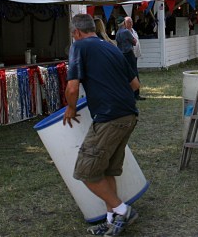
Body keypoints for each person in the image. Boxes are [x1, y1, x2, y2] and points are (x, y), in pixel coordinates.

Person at [62, 14, 141, 236]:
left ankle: (124, 211)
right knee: (106, 170)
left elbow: (72, 88)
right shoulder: (111, 47)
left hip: (110, 117)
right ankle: (111, 220)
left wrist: (71, 107)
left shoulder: (78, 47)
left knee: (86, 171)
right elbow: (135, 85)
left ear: (76, 32)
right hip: (129, 115)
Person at [116, 16, 145, 100]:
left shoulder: (117, 33)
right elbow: (134, 42)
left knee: (125, 73)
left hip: (121, 54)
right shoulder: (126, 32)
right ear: (124, 23)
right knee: (134, 72)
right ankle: (136, 93)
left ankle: (127, 93)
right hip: (129, 53)